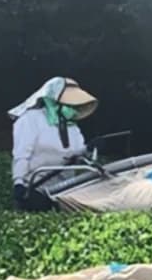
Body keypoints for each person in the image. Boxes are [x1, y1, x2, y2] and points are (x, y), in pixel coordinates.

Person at [9, 76, 99, 211]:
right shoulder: (30, 120)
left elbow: (78, 156)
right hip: (35, 187)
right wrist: (19, 182)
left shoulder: (72, 128)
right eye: (68, 105)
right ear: (54, 102)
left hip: (64, 191)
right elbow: (21, 154)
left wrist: (89, 149)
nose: (72, 109)